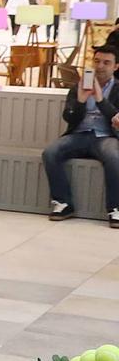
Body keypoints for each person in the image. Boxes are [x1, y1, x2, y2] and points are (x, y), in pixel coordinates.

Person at [42, 43, 119, 226]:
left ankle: (115, 208)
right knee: (50, 152)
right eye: (97, 61)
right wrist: (81, 101)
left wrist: (100, 100)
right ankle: (62, 202)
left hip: (106, 137)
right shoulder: (79, 86)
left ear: (116, 67)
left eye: (106, 63)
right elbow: (68, 117)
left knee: (114, 156)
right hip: (79, 135)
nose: (100, 66)